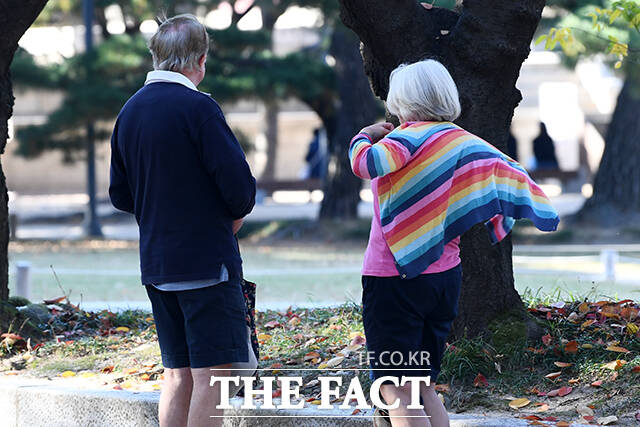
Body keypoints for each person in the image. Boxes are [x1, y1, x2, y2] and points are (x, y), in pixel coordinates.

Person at [349, 60, 559, 427]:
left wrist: (364, 134)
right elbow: (507, 172)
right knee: (424, 385)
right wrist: (510, 215)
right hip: (445, 279)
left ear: (403, 101)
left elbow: (364, 164)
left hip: (393, 278)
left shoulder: (403, 140)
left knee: (395, 388)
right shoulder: (463, 142)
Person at [109, 14, 256, 427]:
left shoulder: (130, 111)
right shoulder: (199, 108)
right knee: (216, 376)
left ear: (155, 57)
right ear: (201, 59)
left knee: (178, 375)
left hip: (157, 265)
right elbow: (240, 191)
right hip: (208, 263)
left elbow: (120, 194)